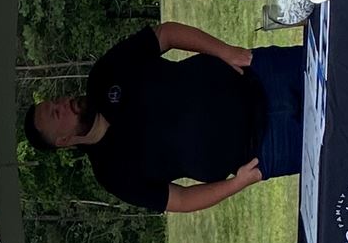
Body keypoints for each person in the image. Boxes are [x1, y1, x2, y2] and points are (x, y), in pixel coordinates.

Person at [25, 22, 305, 214]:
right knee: (339, 145)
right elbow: (180, 199)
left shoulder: (104, 75)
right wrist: (236, 183)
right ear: (63, 140)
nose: (62, 103)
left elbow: (165, 35)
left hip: (260, 76)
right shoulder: (112, 174)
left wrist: (225, 50)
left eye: (55, 101)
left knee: (342, 65)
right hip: (266, 148)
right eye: (55, 112)